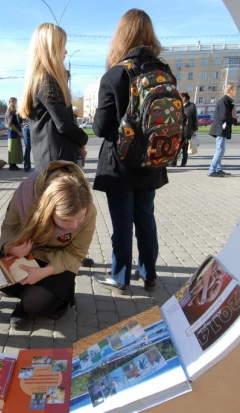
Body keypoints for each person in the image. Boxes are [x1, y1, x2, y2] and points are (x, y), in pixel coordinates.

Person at [91, 8, 170, 293]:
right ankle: (149, 275)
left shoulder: (115, 74)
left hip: (121, 164)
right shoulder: (163, 71)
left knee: (123, 223)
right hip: (152, 158)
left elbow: (100, 128)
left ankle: (120, 276)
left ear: (120, 36)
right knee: (145, 218)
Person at [0, 161, 96, 329]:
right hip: (31, 253)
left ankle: (42, 300)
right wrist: (11, 247)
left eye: (79, 218)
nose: (74, 225)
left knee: (35, 304)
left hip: (59, 263)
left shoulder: (88, 209)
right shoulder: (25, 194)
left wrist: (43, 273)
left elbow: (75, 254)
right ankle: (42, 294)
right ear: (48, 209)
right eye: (66, 220)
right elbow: (9, 227)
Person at [19, 23, 89, 171]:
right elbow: (63, 123)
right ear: (51, 49)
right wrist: (84, 139)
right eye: (62, 46)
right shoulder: (46, 80)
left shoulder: (39, 78)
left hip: (50, 159)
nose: (66, 51)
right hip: (56, 162)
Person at [208, 83, 240, 177]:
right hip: (221, 129)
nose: (236, 92)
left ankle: (218, 169)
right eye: (234, 90)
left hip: (222, 128)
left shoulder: (226, 101)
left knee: (221, 150)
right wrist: (236, 120)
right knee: (219, 150)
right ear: (230, 90)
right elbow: (224, 117)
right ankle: (211, 170)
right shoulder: (224, 101)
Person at [170, 92, 198, 167]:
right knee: (176, 147)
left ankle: (183, 162)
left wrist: (194, 129)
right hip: (177, 130)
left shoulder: (191, 106)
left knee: (184, 148)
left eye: (181, 97)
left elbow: (195, 118)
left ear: (185, 97)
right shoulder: (177, 105)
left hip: (187, 130)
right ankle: (173, 162)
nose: (180, 98)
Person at [5, 97, 24, 171]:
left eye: (15, 101)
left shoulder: (14, 111)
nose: (15, 103)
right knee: (12, 150)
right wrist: (18, 131)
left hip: (15, 134)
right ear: (10, 102)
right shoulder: (10, 112)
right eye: (13, 101)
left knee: (15, 150)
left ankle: (14, 165)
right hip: (12, 134)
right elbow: (10, 125)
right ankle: (12, 166)